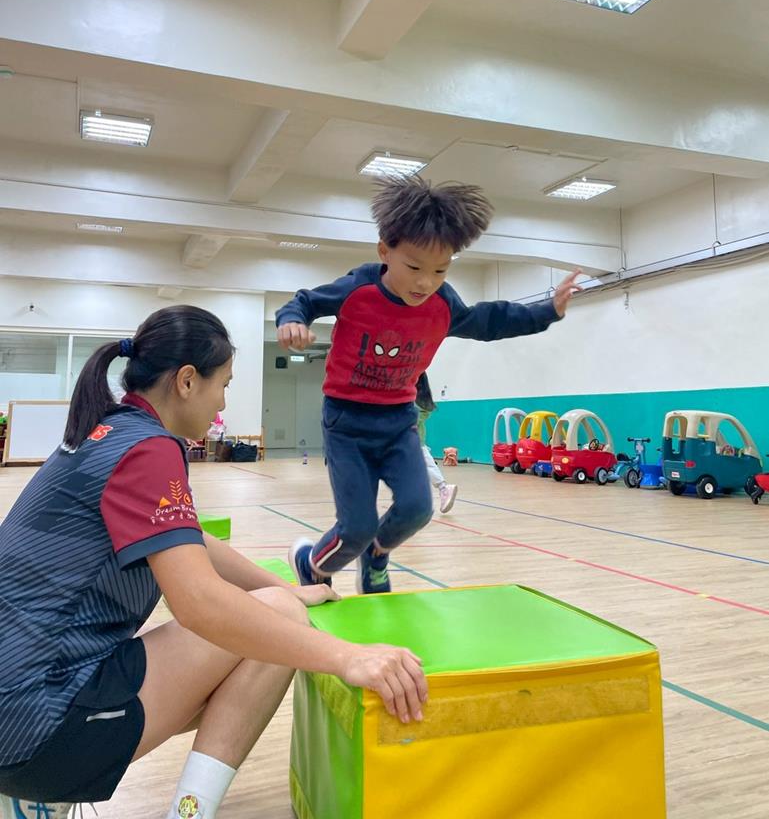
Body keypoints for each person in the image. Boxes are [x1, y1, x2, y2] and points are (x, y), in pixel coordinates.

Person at [0, 306, 426, 819]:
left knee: (276, 610)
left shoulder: (110, 431)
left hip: (16, 703)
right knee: (277, 624)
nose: (223, 400)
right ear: (186, 381)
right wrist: (347, 656)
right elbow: (200, 604)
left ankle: (32, 793)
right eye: (223, 385)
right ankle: (185, 812)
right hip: (38, 725)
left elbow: (191, 538)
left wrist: (284, 587)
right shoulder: (150, 449)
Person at [277, 175, 581, 595]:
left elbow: (486, 321)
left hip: (398, 421)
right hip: (346, 421)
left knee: (418, 508)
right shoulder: (359, 288)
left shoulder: (442, 302)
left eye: (440, 270)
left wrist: (547, 310)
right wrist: (292, 320)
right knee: (356, 527)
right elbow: (305, 301)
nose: (425, 282)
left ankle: (378, 556)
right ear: (385, 251)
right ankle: (311, 565)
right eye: (415, 267)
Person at [415, 372, 457, 514]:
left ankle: (443, 489)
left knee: (423, 465)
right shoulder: (422, 400)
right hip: (415, 439)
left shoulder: (413, 401)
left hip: (411, 439)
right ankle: (442, 489)